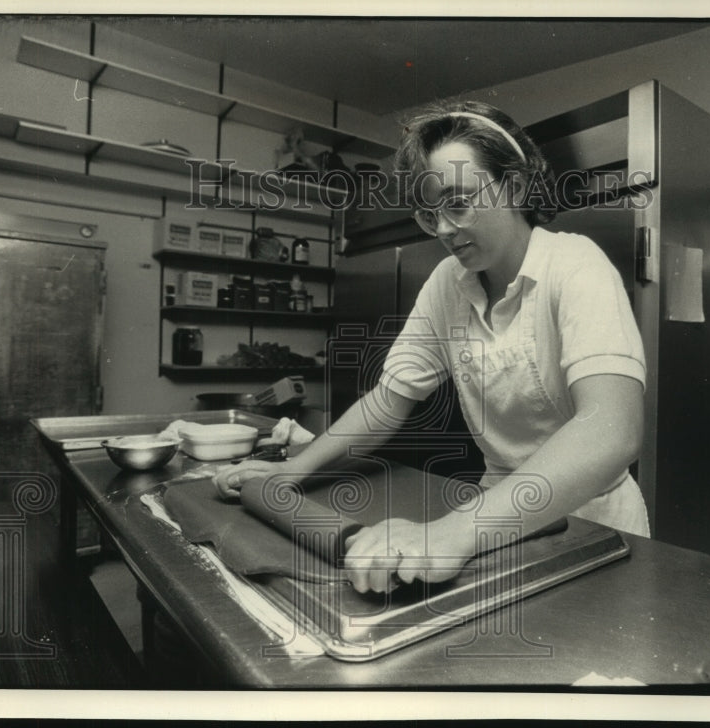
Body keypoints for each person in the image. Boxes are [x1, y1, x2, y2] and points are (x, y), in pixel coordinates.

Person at [214, 100, 649, 594]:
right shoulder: (450, 283)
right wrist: (292, 471)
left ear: (516, 187)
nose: (443, 229)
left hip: (592, 523)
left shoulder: (574, 264)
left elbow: (611, 431)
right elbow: (387, 400)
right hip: (495, 521)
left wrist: (454, 531)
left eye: (459, 203)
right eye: (431, 213)